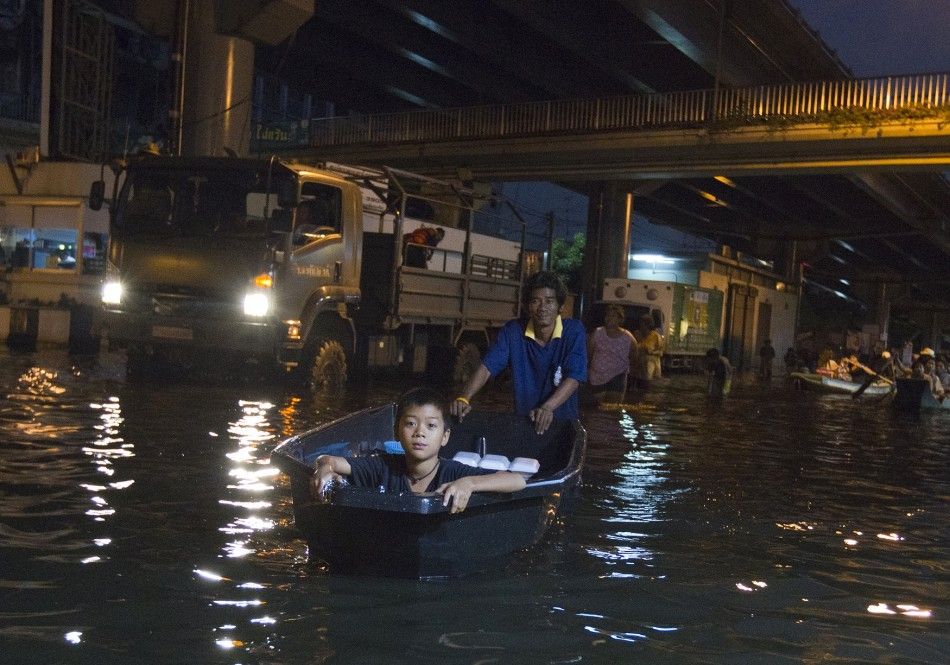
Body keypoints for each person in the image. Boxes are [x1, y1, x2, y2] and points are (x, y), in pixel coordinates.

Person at [310, 387, 525, 513]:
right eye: (410, 423)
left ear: (445, 437)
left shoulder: (454, 473)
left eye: (431, 426)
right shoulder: (383, 467)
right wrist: (324, 468)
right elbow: (327, 459)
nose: (419, 433)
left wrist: (469, 484)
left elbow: (517, 480)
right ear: (396, 431)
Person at [451, 270, 587, 435]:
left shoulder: (573, 331)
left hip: (563, 427)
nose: (542, 308)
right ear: (527, 306)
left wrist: (547, 407)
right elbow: (487, 367)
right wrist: (464, 398)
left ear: (561, 306)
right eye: (536, 301)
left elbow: (574, 377)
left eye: (549, 301)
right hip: (525, 424)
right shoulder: (513, 331)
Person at [586, 305, 637, 403]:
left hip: (618, 376)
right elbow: (589, 353)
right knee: (597, 408)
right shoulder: (597, 333)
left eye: (613, 316)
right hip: (597, 376)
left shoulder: (628, 337)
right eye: (607, 315)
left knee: (613, 409)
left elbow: (634, 357)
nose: (609, 318)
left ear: (619, 319)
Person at [632, 314, 663, 391]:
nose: (640, 326)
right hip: (637, 370)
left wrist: (651, 352)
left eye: (642, 324)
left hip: (649, 371)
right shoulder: (637, 334)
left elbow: (659, 352)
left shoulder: (655, 336)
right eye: (640, 324)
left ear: (648, 325)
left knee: (645, 391)